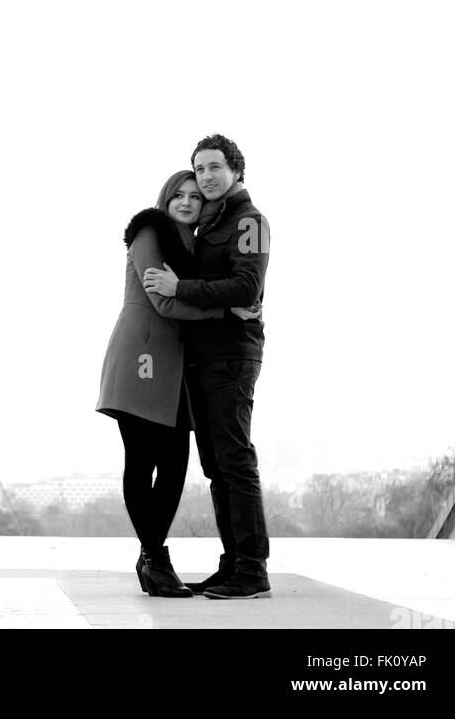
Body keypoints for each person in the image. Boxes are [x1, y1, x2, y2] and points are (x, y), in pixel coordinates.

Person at [96, 169, 258, 597]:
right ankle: (154, 559)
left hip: (175, 368)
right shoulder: (151, 231)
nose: (187, 202)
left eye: (194, 196)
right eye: (178, 195)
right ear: (165, 200)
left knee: (174, 466)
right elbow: (164, 301)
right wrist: (226, 312)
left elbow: (202, 287)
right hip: (142, 356)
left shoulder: (195, 244)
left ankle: (152, 560)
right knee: (143, 460)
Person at [144, 133, 270, 599]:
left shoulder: (249, 221)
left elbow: (246, 288)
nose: (206, 177)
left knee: (235, 461)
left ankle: (253, 570)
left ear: (236, 170)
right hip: (204, 355)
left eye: (215, 167)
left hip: (232, 353)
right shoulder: (210, 225)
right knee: (217, 466)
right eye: (199, 170)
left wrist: (182, 288)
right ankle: (234, 561)